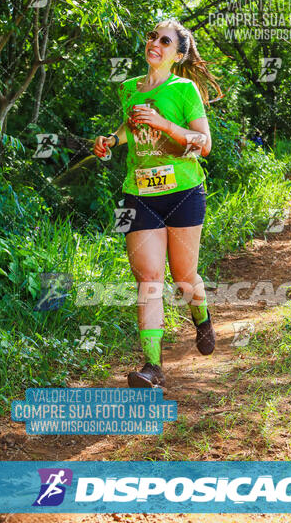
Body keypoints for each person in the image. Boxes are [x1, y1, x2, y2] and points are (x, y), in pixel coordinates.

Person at [93, 20, 222, 388]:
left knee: (183, 280)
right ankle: (153, 367)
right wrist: (112, 141)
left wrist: (165, 125)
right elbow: (128, 126)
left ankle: (201, 315)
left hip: (183, 191)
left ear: (178, 54)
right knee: (148, 279)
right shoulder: (130, 88)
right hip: (139, 193)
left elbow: (204, 144)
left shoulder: (185, 89)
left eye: (165, 41)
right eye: (152, 36)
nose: (155, 43)